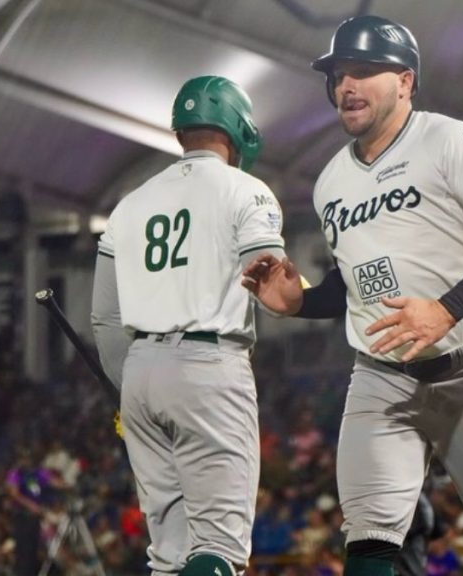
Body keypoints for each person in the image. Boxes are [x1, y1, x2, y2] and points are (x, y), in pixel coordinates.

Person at [242, 15, 463, 576]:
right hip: (383, 378)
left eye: (363, 72)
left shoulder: (450, 139)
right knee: (369, 543)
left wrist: (446, 309)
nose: (346, 86)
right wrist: (300, 301)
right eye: (337, 75)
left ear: (405, 80)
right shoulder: (332, 180)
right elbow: (358, 284)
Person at [91, 75, 287, 575]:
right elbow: (275, 287)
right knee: (219, 549)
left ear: (181, 132)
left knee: (170, 554)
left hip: (139, 375)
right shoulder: (246, 190)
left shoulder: (130, 203)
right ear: (239, 130)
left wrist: (125, 388)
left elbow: (105, 318)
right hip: (208, 366)